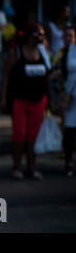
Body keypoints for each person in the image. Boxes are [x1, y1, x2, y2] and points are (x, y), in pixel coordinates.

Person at [1, 23, 51, 180]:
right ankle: (17, 167)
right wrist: (3, 98)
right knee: (19, 134)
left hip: (39, 101)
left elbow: (48, 77)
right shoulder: (15, 53)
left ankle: (32, 167)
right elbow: (6, 77)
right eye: (39, 35)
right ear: (30, 36)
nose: (42, 38)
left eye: (43, 35)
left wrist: (50, 99)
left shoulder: (44, 53)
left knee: (33, 136)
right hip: (20, 101)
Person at [53, 26, 76, 176]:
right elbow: (57, 73)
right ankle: (68, 162)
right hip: (70, 96)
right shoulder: (64, 53)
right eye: (65, 35)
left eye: (71, 35)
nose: (68, 38)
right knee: (69, 130)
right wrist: (60, 93)